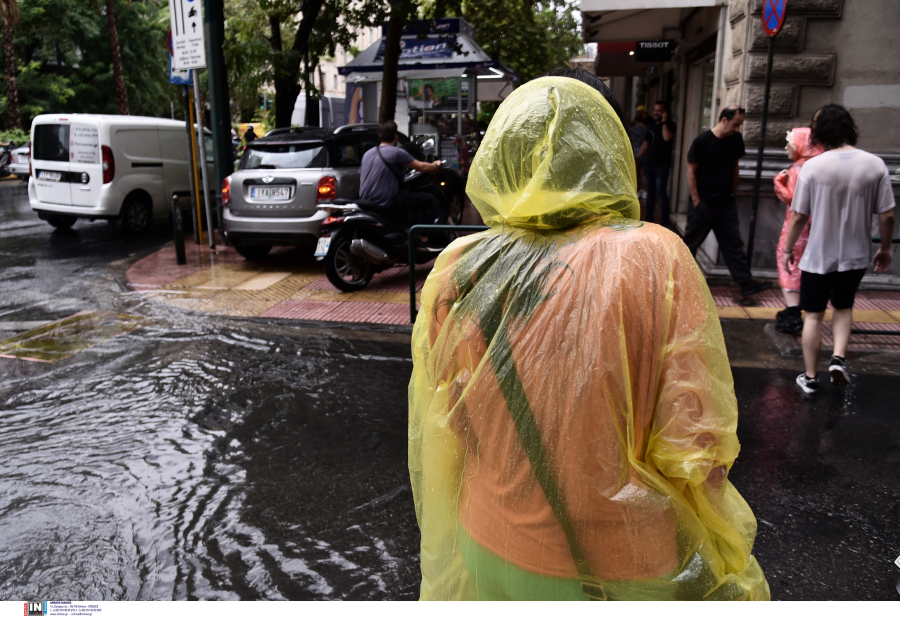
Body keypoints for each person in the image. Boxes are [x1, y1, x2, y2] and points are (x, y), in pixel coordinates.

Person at [409, 76, 769, 601]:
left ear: (502, 156)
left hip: (486, 540)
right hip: (616, 566)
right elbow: (700, 448)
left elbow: (452, 417)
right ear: (606, 151)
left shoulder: (458, 268)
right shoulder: (652, 259)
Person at [783, 105, 895, 394]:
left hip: (818, 255)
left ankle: (809, 377)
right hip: (855, 255)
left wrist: (787, 249)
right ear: (850, 129)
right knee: (843, 308)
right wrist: (884, 248)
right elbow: (887, 215)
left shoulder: (813, 167)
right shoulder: (874, 164)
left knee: (814, 315)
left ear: (819, 134)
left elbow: (798, 215)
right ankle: (838, 359)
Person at [684, 106, 771, 296]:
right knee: (690, 244)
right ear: (724, 120)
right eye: (735, 124)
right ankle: (678, 282)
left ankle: (745, 283)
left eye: (740, 125)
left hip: (725, 203)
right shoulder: (702, 141)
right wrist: (697, 200)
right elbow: (691, 171)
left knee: (733, 244)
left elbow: (735, 166)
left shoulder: (735, 140)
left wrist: (733, 190)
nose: (738, 128)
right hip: (704, 203)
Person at [773, 128, 823, 333]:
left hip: (796, 228)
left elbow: (795, 202)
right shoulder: (820, 168)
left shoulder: (797, 170)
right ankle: (797, 310)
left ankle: (793, 313)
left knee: (788, 264)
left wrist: (778, 185)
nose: (786, 148)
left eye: (789, 144)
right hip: (817, 228)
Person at [358, 120, 440, 223]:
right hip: (387, 203)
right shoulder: (396, 152)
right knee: (430, 200)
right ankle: (423, 237)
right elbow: (422, 167)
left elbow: (362, 179)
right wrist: (436, 164)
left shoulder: (367, 154)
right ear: (395, 136)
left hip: (367, 202)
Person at [634, 101, 675, 226]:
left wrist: (664, 122)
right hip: (649, 164)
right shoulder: (650, 126)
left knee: (661, 192)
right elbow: (645, 144)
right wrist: (636, 157)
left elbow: (667, 137)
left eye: (659, 111)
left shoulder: (670, 125)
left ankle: (665, 222)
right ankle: (649, 220)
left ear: (665, 112)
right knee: (650, 193)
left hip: (662, 165)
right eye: (655, 110)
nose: (656, 113)